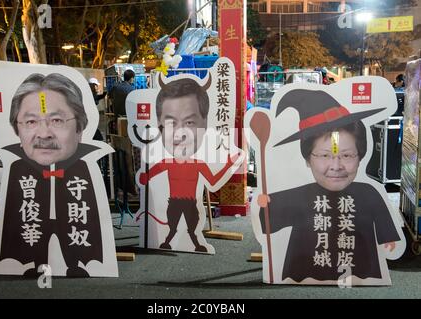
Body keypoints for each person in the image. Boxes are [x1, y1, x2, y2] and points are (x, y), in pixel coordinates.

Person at [257, 89, 402, 283]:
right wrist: (264, 203)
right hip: (305, 274)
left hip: (360, 274)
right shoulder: (298, 197)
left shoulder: (369, 193)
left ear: (360, 156)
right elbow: (267, 224)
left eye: (347, 155)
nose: (336, 166)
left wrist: (389, 240)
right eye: (325, 155)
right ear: (308, 159)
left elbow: (386, 231)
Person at [0, 73, 105, 277]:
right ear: (16, 128)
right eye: (30, 122)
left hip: (70, 217)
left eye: (57, 120)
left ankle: (75, 263)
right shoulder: (18, 172)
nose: (44, 134)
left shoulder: (82, 171)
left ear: (80, 127)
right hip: (37, 222)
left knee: (73, 231)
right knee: (35, 232)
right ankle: (36, 263)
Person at [139, 76, 239, 252]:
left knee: (192, 228)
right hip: (175, 201)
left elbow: (213, 181)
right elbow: (146, 178)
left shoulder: (198, 164)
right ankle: (169, 241)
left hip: (191, 202)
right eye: (170, 123)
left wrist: (229, 164)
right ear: (159, 126)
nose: (180, 134)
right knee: (173, 226)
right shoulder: (165, 163)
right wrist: (143, 176)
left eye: (190, 122)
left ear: (205, 122)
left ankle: (196, 243)